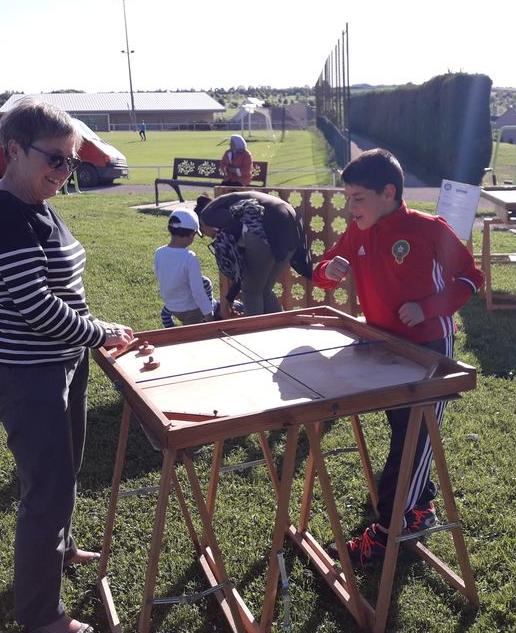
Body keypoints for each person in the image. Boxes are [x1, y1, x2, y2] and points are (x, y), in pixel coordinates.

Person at [0, 98, 135, 633]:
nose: (65, 172)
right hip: (24, 370)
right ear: (13, 149)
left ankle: (58, 552)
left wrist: (89, 333)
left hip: (61, 359)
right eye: (55, 160)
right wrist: (101, 333)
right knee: (49, 488)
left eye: (70, 160)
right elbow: (36, 307)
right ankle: (40, 613)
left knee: (67, 466)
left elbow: (62, 291)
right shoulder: (2, 212)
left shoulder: (36, 199)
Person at [313, 148, 484, 566]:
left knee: (414, 440)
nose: (349, 207)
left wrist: (429, 308)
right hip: (383, 347)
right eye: (347, 197)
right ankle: (419, 508)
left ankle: (387, 533)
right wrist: (328, 271)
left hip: (430, 353)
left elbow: (470, 278)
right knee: (401, 428)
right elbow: (323, 272)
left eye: (358, 198)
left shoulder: (429, 229)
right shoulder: (359, 231)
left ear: (388, 192)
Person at [196, 190, 312, 316]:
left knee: (252, 292)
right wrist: (230, 296)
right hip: (291, 222)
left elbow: (245, 223)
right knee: (264, 290)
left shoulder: (206, 214)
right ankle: (280, 329)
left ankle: (255, 332)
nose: (207, 237)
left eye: (201, 233)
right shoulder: (222, 205)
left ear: (201, 223)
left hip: (270, 225)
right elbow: (244, 267)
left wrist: (230, 296)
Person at [154, 208, 218, 326]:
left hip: (171, 306)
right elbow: (198, 292)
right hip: (190, 310)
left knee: (204, 281)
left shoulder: (159, 252)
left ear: (170, 229)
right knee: (193, 338)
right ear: (191, 234)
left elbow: (160, 276)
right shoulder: (190, 258)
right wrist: (209, 315)